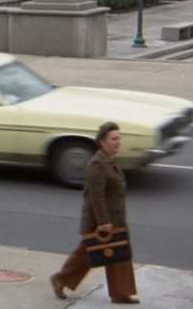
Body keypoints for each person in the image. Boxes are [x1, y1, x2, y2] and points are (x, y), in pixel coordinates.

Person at [50, 122, 139, 304]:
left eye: (118, 138)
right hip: (100, 220)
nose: (118, 142)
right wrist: (103, 221)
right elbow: (95, 196)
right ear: (102, 142)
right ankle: (60, 279)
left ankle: (120, 293)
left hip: (116, 218)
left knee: (119, 255)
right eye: (113, 139)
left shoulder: (110, 161)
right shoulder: (98, 164)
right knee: (86, 255)